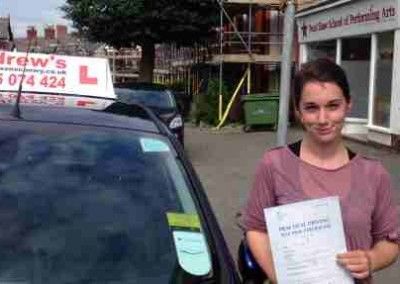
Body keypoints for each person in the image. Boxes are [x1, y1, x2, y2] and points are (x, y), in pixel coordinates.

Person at [242, 58, 399, 283]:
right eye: (312, 108)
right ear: (298, 112)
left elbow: (390, 242)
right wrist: (280, 276)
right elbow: (256, 228)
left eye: (333, 106)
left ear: (348, 105)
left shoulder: (374, 174)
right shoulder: (274, 164)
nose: (323, 119)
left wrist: (371, 258)